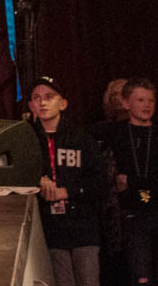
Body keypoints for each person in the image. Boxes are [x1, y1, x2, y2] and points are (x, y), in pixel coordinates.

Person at [28, 77, 107, 286]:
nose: (43, 102)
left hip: (83, 225)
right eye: (36, 98)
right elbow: (14, 175)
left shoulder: (81, 137)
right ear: (31, 106)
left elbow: (101, 182)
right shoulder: (26, 139)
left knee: (88, 279)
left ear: (62, 103)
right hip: (49, 227)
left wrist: (68, 191)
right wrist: (36, 181)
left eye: (49, 97)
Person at [113, 78, 157, 286]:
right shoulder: (115, 133)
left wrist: (132, 181)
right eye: (140, 100)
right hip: (132, 216)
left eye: (151, 100)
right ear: (126, 103)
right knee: (141, 276)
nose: (147, 105)